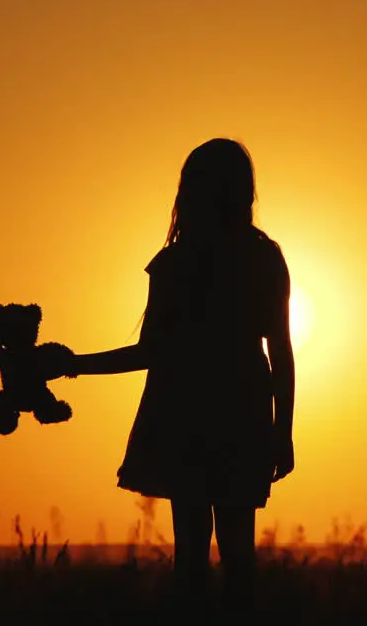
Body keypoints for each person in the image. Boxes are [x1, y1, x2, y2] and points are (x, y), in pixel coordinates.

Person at [64, 138, 296, 615]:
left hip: (184, 413)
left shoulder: (176, 262)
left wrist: (74, 365)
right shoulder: (263, 258)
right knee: (238, 556)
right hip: (242, 412)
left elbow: (148, 353)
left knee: (190, 554)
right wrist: (283, 431)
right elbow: (281, 353)